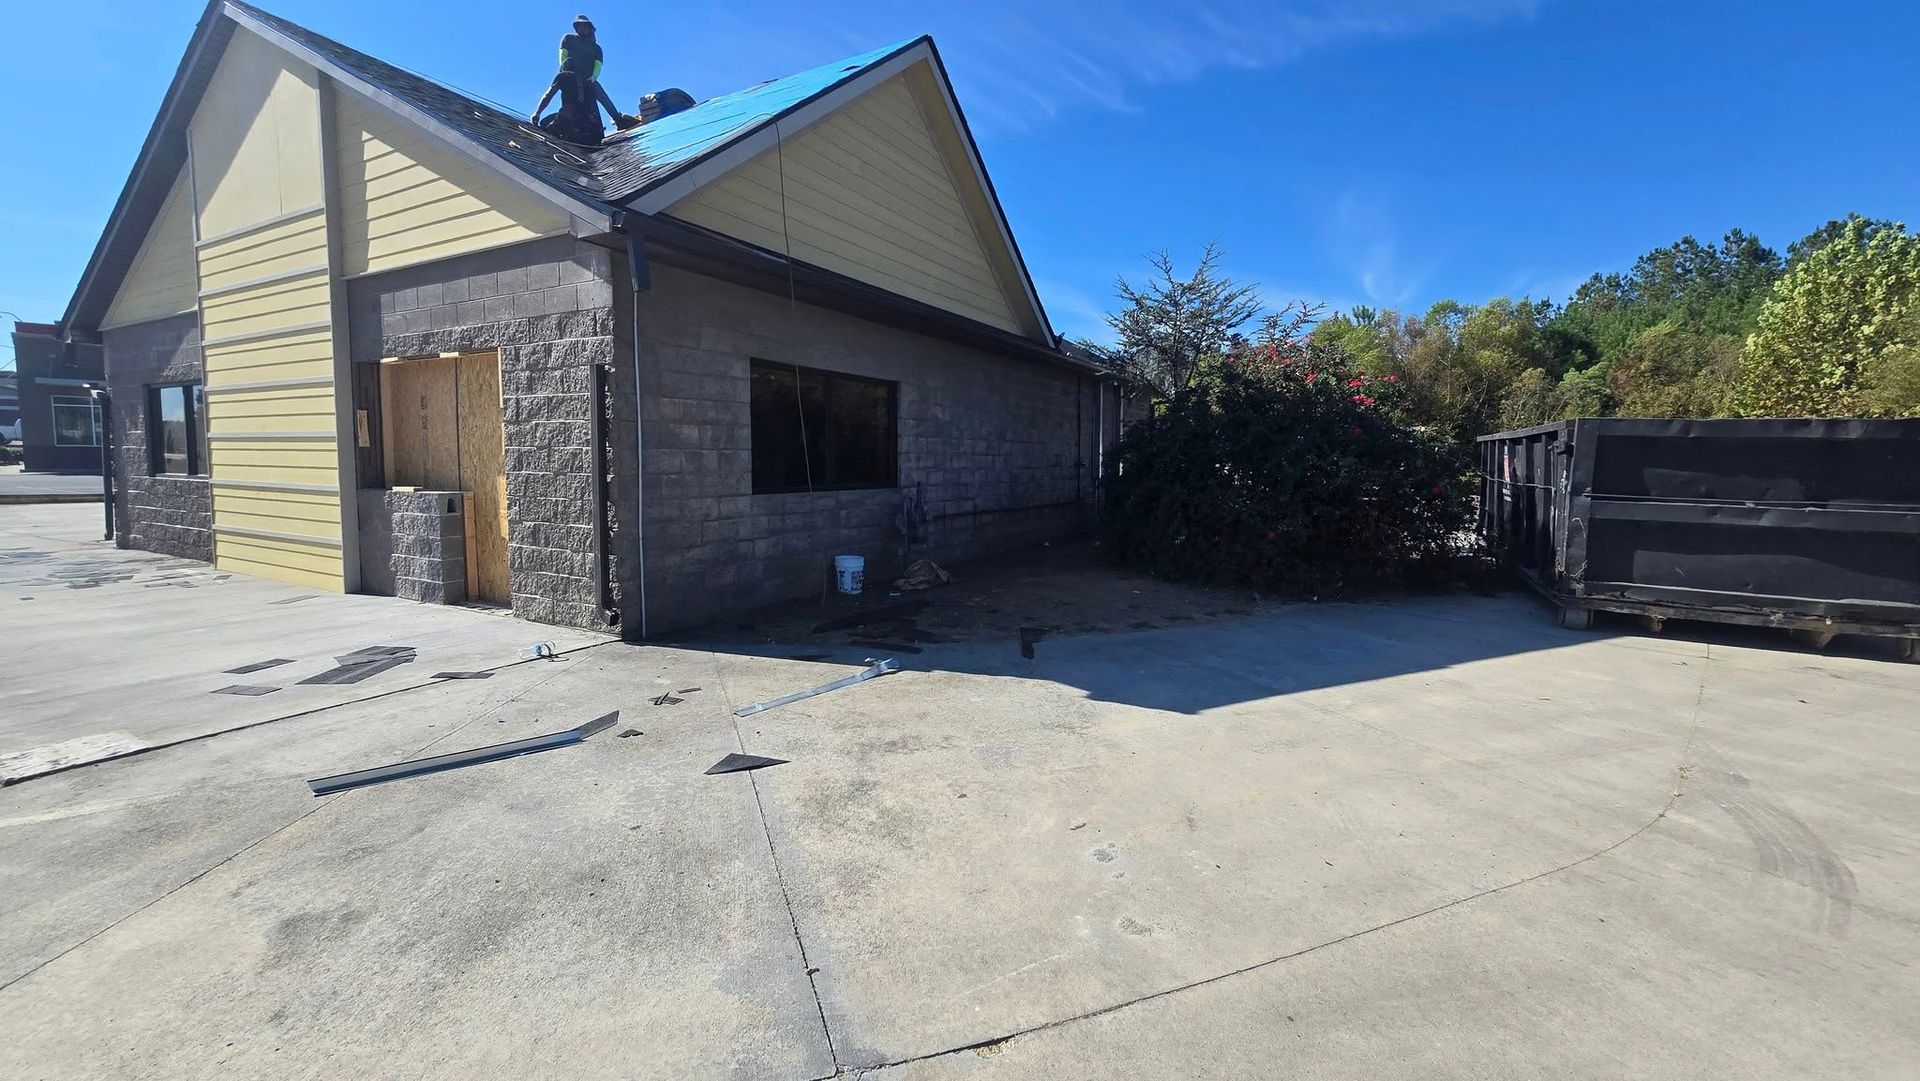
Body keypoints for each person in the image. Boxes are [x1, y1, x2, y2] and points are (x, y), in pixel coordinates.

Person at [532, 14, 633, 144]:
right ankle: (567, 127)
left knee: (601, 96)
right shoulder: (568, 39)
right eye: (580, 26)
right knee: (571, 107)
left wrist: (593, 77)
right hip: (571, 77)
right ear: (576, 28)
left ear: (590, 28)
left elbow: (597, 65)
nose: (582, 29)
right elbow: (563, 55)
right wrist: (537, 112)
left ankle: (618, 120)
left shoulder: (596, 48)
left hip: (587, 79)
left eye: (585, 26)